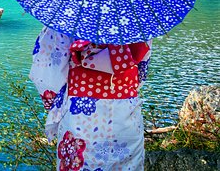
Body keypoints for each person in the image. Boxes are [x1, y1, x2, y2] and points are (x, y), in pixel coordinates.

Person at [29, 26, 151, 171]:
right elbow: (141, 73)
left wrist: (55, 106)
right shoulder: (137, 20)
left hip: (80, 118)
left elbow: (46, 73)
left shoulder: (68, 19)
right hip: (126, 115)